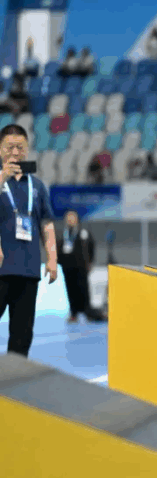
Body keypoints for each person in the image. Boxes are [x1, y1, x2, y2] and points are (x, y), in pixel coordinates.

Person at [0, 124, 58, 356]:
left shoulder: (37, 186)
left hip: (28, 270)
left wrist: (52, 258)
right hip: (1, 269)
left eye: (20, 147)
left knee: (22, 336)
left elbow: (47, 224)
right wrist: (3, 177)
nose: (15, 152)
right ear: (0, 149)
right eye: (9, 147)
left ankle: (13, 378)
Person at [56, 209, 106, 324]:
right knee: (70, 290)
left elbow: (92, 246)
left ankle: (88, 312)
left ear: (77, 219)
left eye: (72, 217)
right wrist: (60, 261)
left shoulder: (84, 233)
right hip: (67, 267)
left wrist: (90, 262)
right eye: (68, 217)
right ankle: (74, 313)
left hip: (81, 267)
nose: (70, 220)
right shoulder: (62, 234)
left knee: (83, 289)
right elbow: (58, 248)